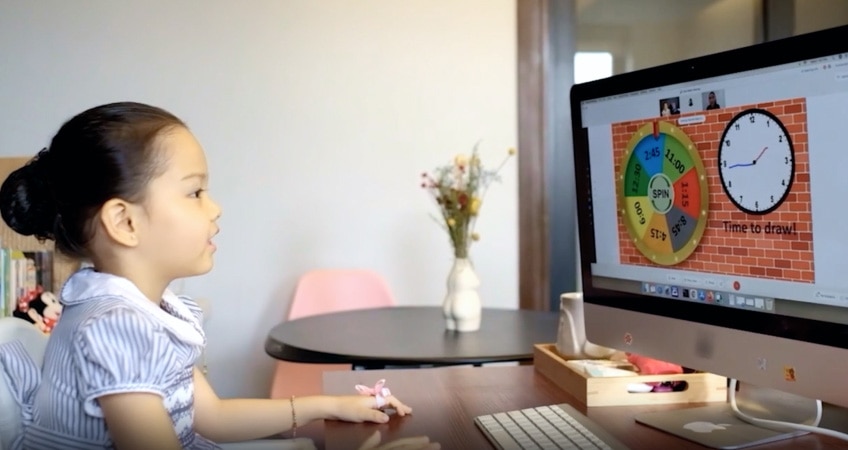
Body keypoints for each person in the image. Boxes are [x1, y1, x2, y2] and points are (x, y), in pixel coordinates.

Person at [0, 102, 438, 450]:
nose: (216, 207)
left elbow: (210, 417)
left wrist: (331, 405)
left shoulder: (142, 312)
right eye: (195, 192)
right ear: (125, 223)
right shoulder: (114, 325)